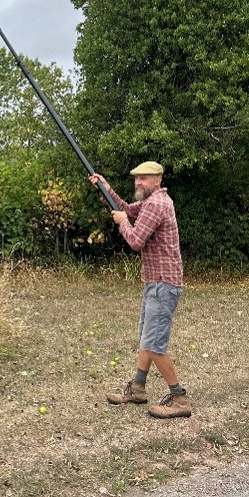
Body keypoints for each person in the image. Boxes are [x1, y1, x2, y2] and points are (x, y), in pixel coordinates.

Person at [88, 161, 191, 419]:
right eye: (136, 179)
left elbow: (134, 240)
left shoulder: (157, 204)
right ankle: (137, 388)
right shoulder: (151, 202)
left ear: (157, 180)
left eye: (143, 178)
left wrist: (123, 223)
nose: (138, 183)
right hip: (154, 282)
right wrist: (106, 189)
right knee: (147, 338)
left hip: (163, 284)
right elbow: (125, 209)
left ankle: (179, 399)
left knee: (155, 345)